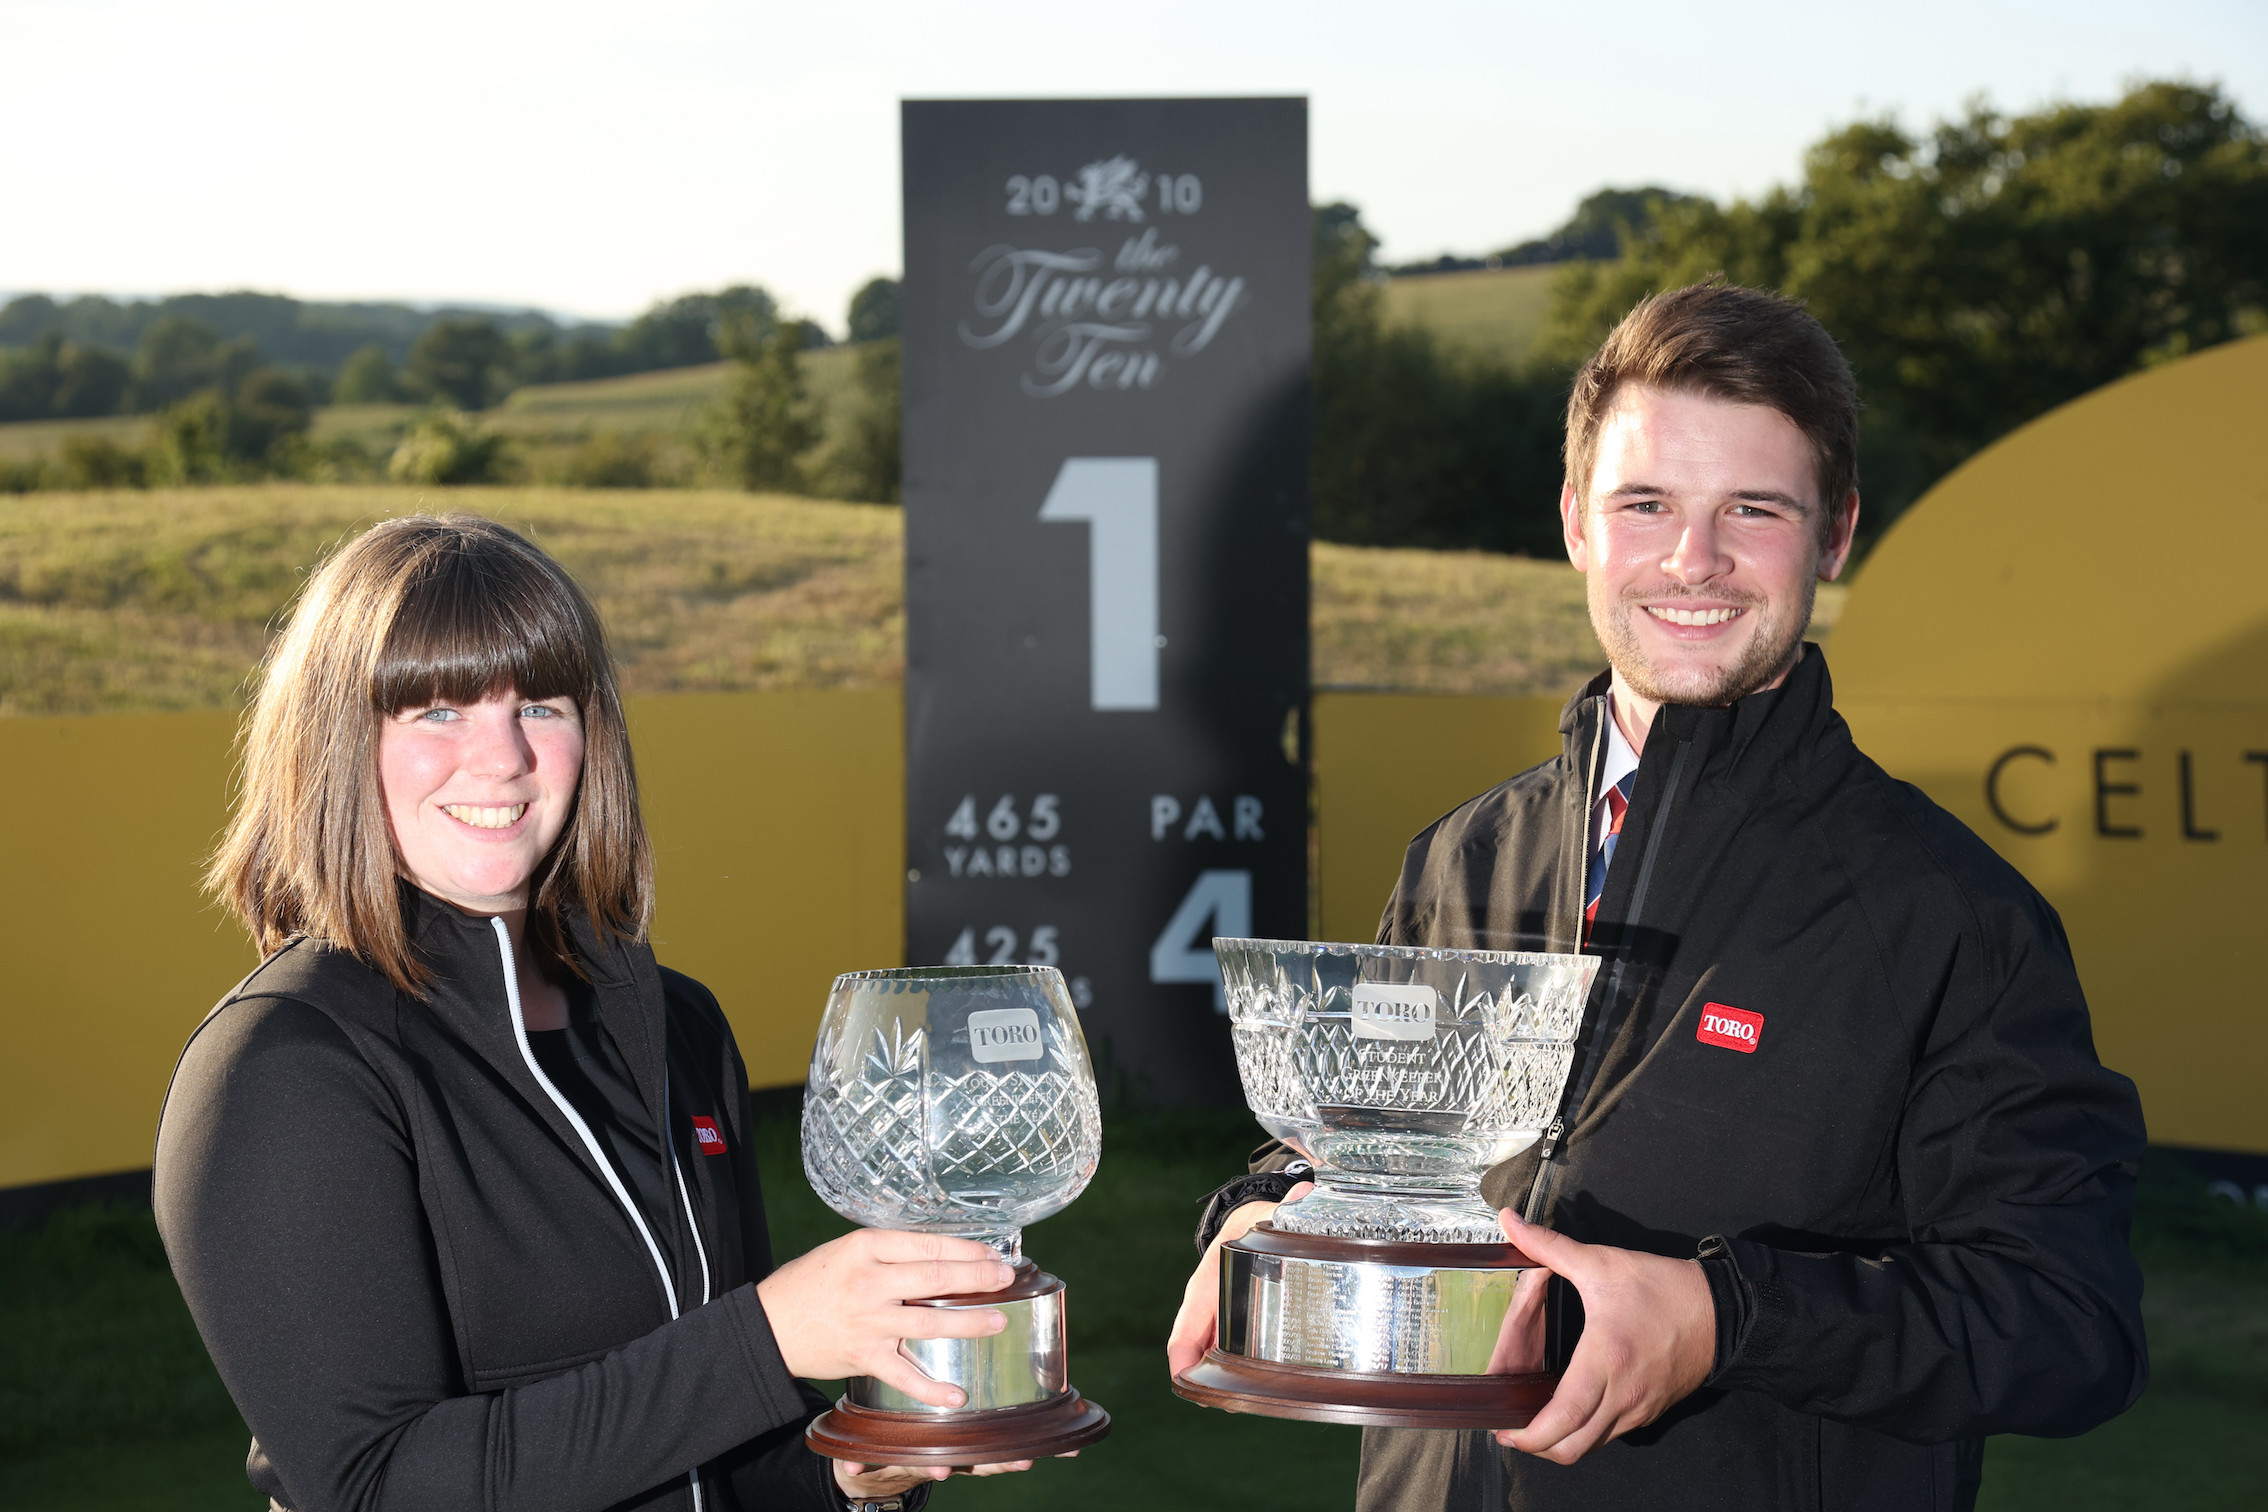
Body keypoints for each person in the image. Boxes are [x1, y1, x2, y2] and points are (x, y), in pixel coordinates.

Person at [1167, 283, 2148, 1510]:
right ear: (1578, 522)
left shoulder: (1955, 917)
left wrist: (1727, 1318)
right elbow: (1353, 1153)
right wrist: (1267, 1212)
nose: (1696, 559)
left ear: (1835, 533)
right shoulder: (1458, 861)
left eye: (1755, 508)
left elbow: (2069, 1323)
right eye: (1647, 505)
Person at [156, 516, 1035, 1512]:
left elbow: (717, 1460)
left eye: (540, 704)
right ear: (336, 741)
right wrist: (768, 1337)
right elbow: (375, 1486)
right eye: (437, 710)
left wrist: (852, 1476)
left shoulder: (677, 1029)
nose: (502, 760)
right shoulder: (284, 1064)